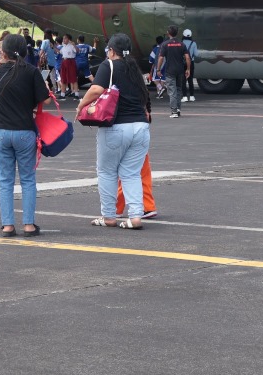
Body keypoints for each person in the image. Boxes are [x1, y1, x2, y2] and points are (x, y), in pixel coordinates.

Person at [80, 33, 151, 229]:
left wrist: (81, 105)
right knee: (131, 174)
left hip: (116, 127)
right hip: (141, 127)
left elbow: (96, 89)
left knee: (107, 171)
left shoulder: (109, 65)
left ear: (111, 50)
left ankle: (109, 216)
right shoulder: (134, 68)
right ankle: (135, 216)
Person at [0, 34, 50, 237]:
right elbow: (45, 100)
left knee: (5, 180)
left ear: (4, 52)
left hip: (2, 130)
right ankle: (28, 225)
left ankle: (7, 225)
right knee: (27, 179)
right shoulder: (31, 71)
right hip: (24, 130)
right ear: (25, 51)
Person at [156, 25, 189, 118]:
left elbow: (161, 58)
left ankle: (174, 111)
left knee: (172, 91)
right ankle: (178, 109)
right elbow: (187, 57)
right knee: (178, 89)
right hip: (180, 70)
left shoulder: (165, 44)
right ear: (177, 33)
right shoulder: (182, 44)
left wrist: (158, 69)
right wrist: (188, 69)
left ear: (168, 33)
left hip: (170, 71)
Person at [180, 29, 198, 101]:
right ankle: (192, 96)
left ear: (183, 35)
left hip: (182, 63)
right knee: (190, 80)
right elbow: (196, 54)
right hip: (191, 63)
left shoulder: (181, 43)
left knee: (183, 80)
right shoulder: (193, 43)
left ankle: (184, 96)